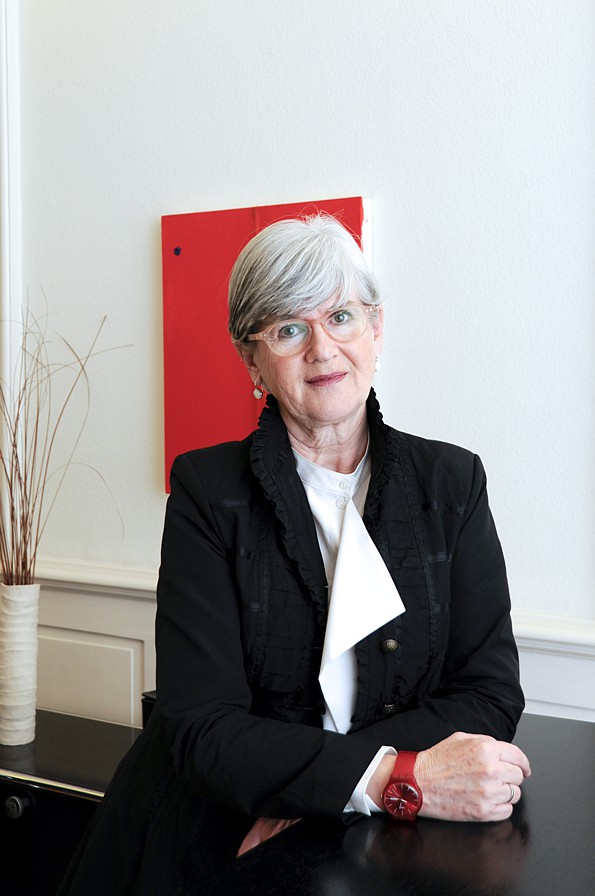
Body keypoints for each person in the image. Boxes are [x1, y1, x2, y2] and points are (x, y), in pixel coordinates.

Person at [59, 215, 529, 895]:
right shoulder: (207, 490)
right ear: (252, 361)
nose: (322, 349)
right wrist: (390, 775)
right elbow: (201, 728)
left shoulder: (452, 482)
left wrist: (328, 789)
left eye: (341, 316)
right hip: (221, 834)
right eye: (287, 329)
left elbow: (488, 691)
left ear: (376, 329)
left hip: (388, 839)